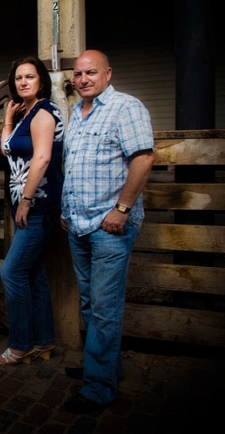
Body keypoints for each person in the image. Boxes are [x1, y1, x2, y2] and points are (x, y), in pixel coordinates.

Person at [61, 50, 154, 413]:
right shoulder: (77, 114)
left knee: (103, 307)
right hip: (78, 223)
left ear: (108, 73)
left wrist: (122, 209)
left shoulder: (125, 107)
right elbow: (76, 165)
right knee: (89, 302)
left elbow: (144, 159)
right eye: (78, 74)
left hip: (110, 225)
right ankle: (107, 368)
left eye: (91, 72)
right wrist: (68, 210)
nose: (83, 79)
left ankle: (98, 388)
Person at [0, 57, 65, 366]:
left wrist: (25, 200)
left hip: (39, 206)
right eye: (19, 78)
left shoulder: (44, 113)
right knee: (33, 275)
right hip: (26, 207)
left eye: (29, 77)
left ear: (41, 81)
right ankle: (44, 341)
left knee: (12, 271)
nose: (23, 82)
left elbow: (42, 160)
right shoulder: (26, 114)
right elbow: (6, 151)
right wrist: (8, 118)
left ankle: (20, 345)